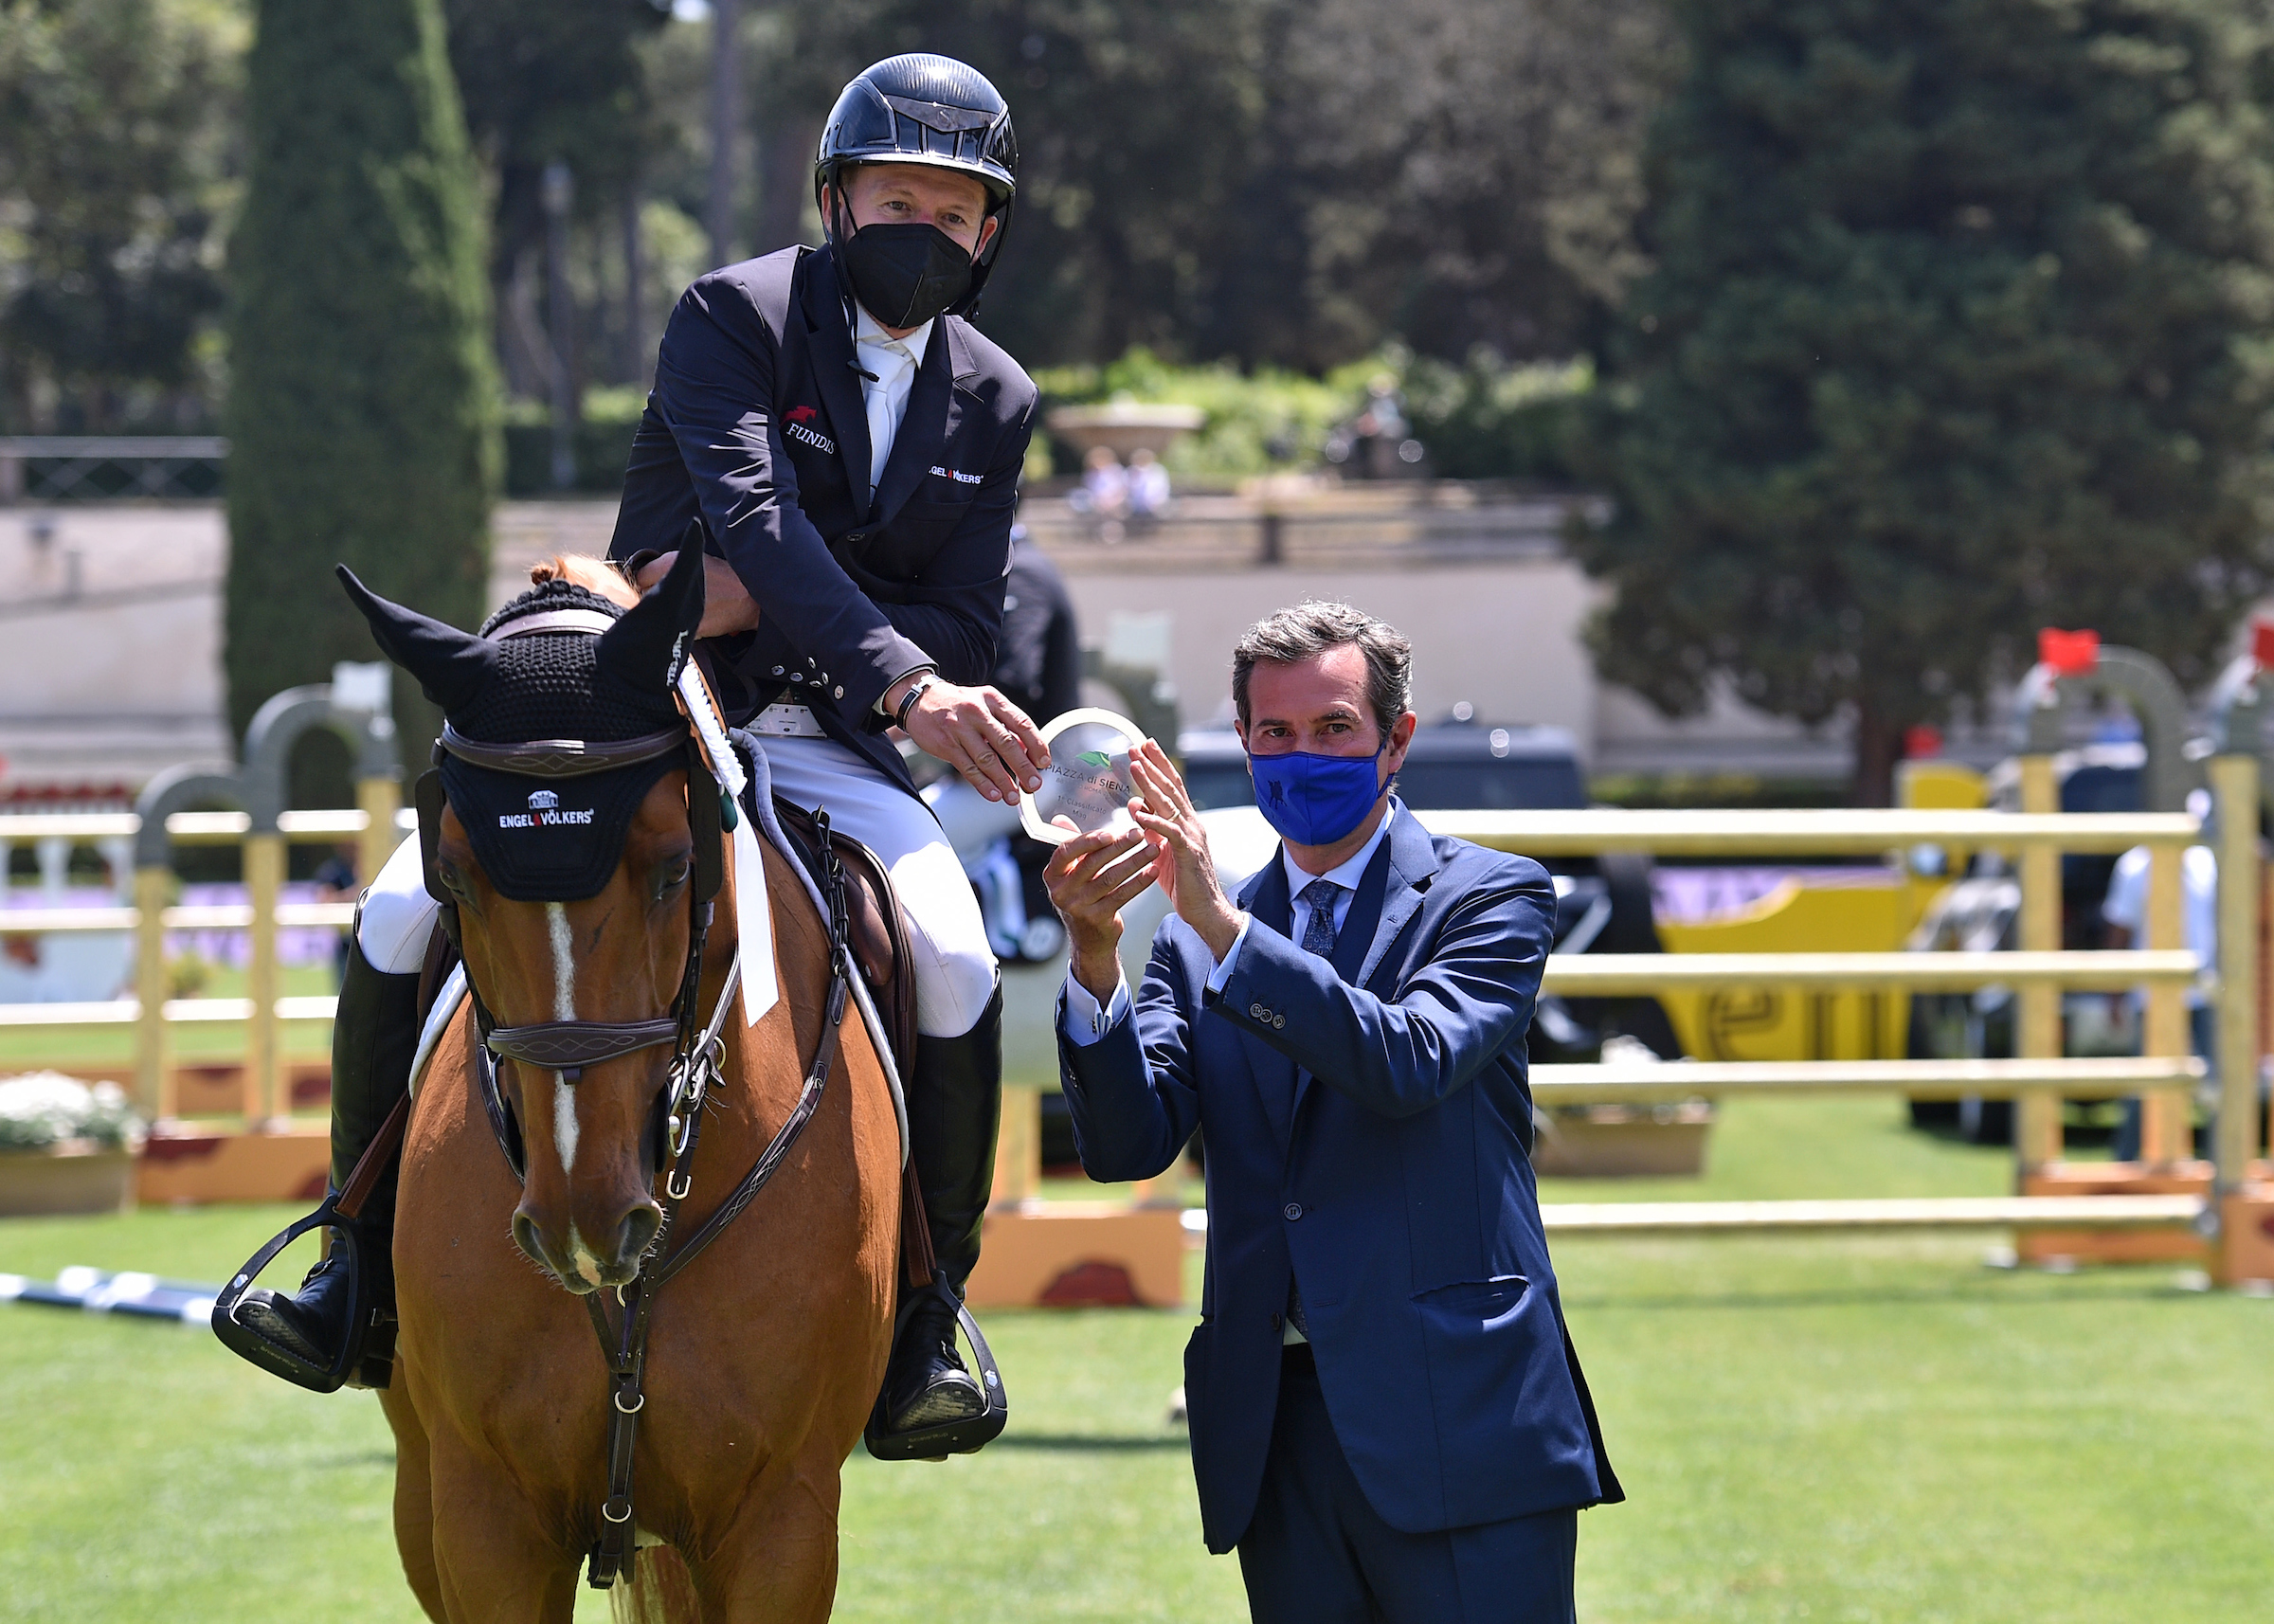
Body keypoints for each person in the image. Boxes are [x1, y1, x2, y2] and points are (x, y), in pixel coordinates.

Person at [226, 54, 1046, 1454]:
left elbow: (960, 610)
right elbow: (758, 513)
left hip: (838, 738)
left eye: (956, 207)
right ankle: (351, 1262)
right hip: (657, 717)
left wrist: (774, 606)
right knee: (400, 904)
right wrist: (890, 661)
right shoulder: (731, 314)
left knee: (956, 956)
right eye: (896, 194)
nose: (926, 224)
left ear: (989, 233)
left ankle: (926, 1315)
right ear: (837, 198)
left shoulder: (997, 393)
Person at [1044, 601, 1619, 1621]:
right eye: (1274, 733)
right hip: (1275, 1427)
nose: (1299, 755)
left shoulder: (1492, 895)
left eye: (1333, 728)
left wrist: (1220, 923)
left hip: (1461, 1414)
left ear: (1395, 740)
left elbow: (1408, 1059)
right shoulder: (1188, 944)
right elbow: (1129, 1144)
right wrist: (1094, 959)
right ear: (1241, 742)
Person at [927, 525, 1082, 961]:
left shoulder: (1021, 570)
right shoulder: (1007, 563)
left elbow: (1014, 684)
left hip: (1034, 775)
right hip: (1016, 770)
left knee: (891, 841)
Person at [2101, 792, 2218, 1161]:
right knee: (2150, 1083)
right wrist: (2115, 993)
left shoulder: (2207, 861)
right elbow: (2119, 931)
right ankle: (2128, 1161)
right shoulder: (2135, 864)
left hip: (2206, 990)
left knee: (2219, 1082)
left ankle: (2224, 1163)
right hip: (2154, 991)